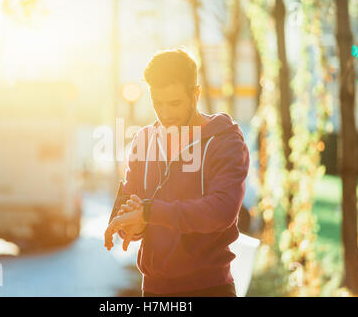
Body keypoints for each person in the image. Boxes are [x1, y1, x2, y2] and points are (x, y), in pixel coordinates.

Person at [104, 48, 250, 297]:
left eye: (174, 103)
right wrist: (130, 224)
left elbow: (221, 210)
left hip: (210, 289)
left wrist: (149, 212)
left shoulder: (225, 142)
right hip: (153, 290)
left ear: (196, 94)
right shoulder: (144, 140)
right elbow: (130, 202)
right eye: (157, 103)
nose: (166, 113)